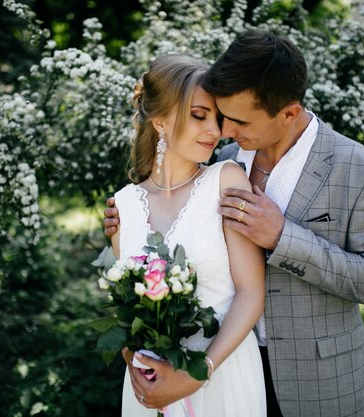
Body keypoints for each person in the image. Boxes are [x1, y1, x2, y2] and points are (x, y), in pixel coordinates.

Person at [104, 30, 364, 417]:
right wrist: (123, 229)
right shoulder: (226, 159)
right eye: (220, 115)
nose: (224, 130)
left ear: (288, 114)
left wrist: (282, 237)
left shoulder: (363, 170)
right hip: (223, 365)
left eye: (237, 120)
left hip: (313, 379)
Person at [110, 54, 267, 417]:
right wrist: (140, 367)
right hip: (150, 383)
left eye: (217, 117)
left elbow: (251, 293)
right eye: (199, 115)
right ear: (160, 120)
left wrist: (199, 372)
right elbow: (126, 310)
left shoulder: (226, 180)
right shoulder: (124, 204)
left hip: (223, 375)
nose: (214, 130)